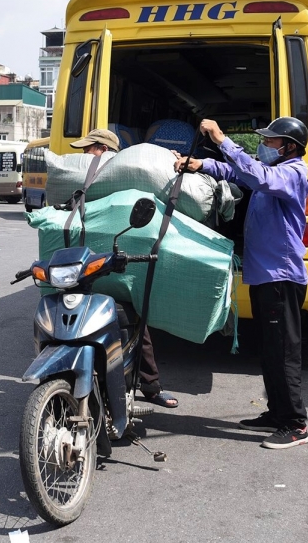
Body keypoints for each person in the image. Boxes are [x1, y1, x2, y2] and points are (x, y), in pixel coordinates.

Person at [175, 117, 308, 449]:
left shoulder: (291, 174)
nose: (265, 145)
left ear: (289, 147)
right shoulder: (273, 175)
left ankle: (295, 424)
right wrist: (201, 163)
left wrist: (222, 139)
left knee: (283, 353)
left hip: (282, 277)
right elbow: (237, 174)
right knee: (269, 350)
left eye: (271, 141)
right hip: (266, 276)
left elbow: (256, 175)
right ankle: (276, 414)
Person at [69, 128, 180, 411]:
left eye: (89, 148)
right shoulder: (88, 179)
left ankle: (151, 387)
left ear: (103, 149)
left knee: (133, 323)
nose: (84, 154)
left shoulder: (124, 173)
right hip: (87, 262)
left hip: (123, 260)